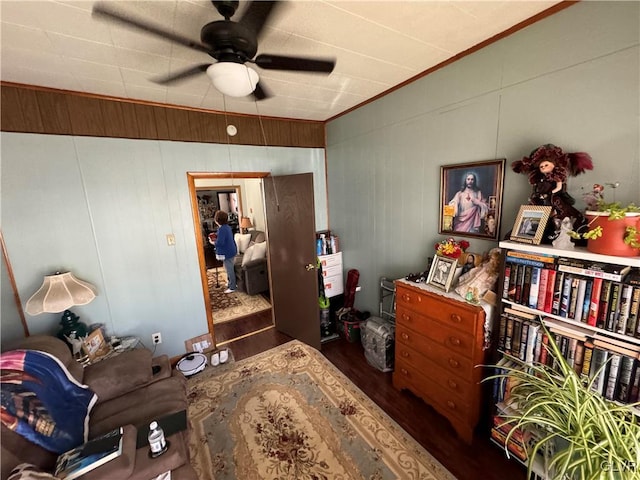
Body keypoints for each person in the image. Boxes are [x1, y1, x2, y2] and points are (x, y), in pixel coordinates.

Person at [214, 210, 238, 293]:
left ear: (217, 220)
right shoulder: (226, 227)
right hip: (231, 250)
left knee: (229, 269)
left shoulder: (222, 229)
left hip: (228, 252)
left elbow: (220, 242)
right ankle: (230, 283)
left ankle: (232, 287)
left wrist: (213, 242)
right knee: (228, 268)